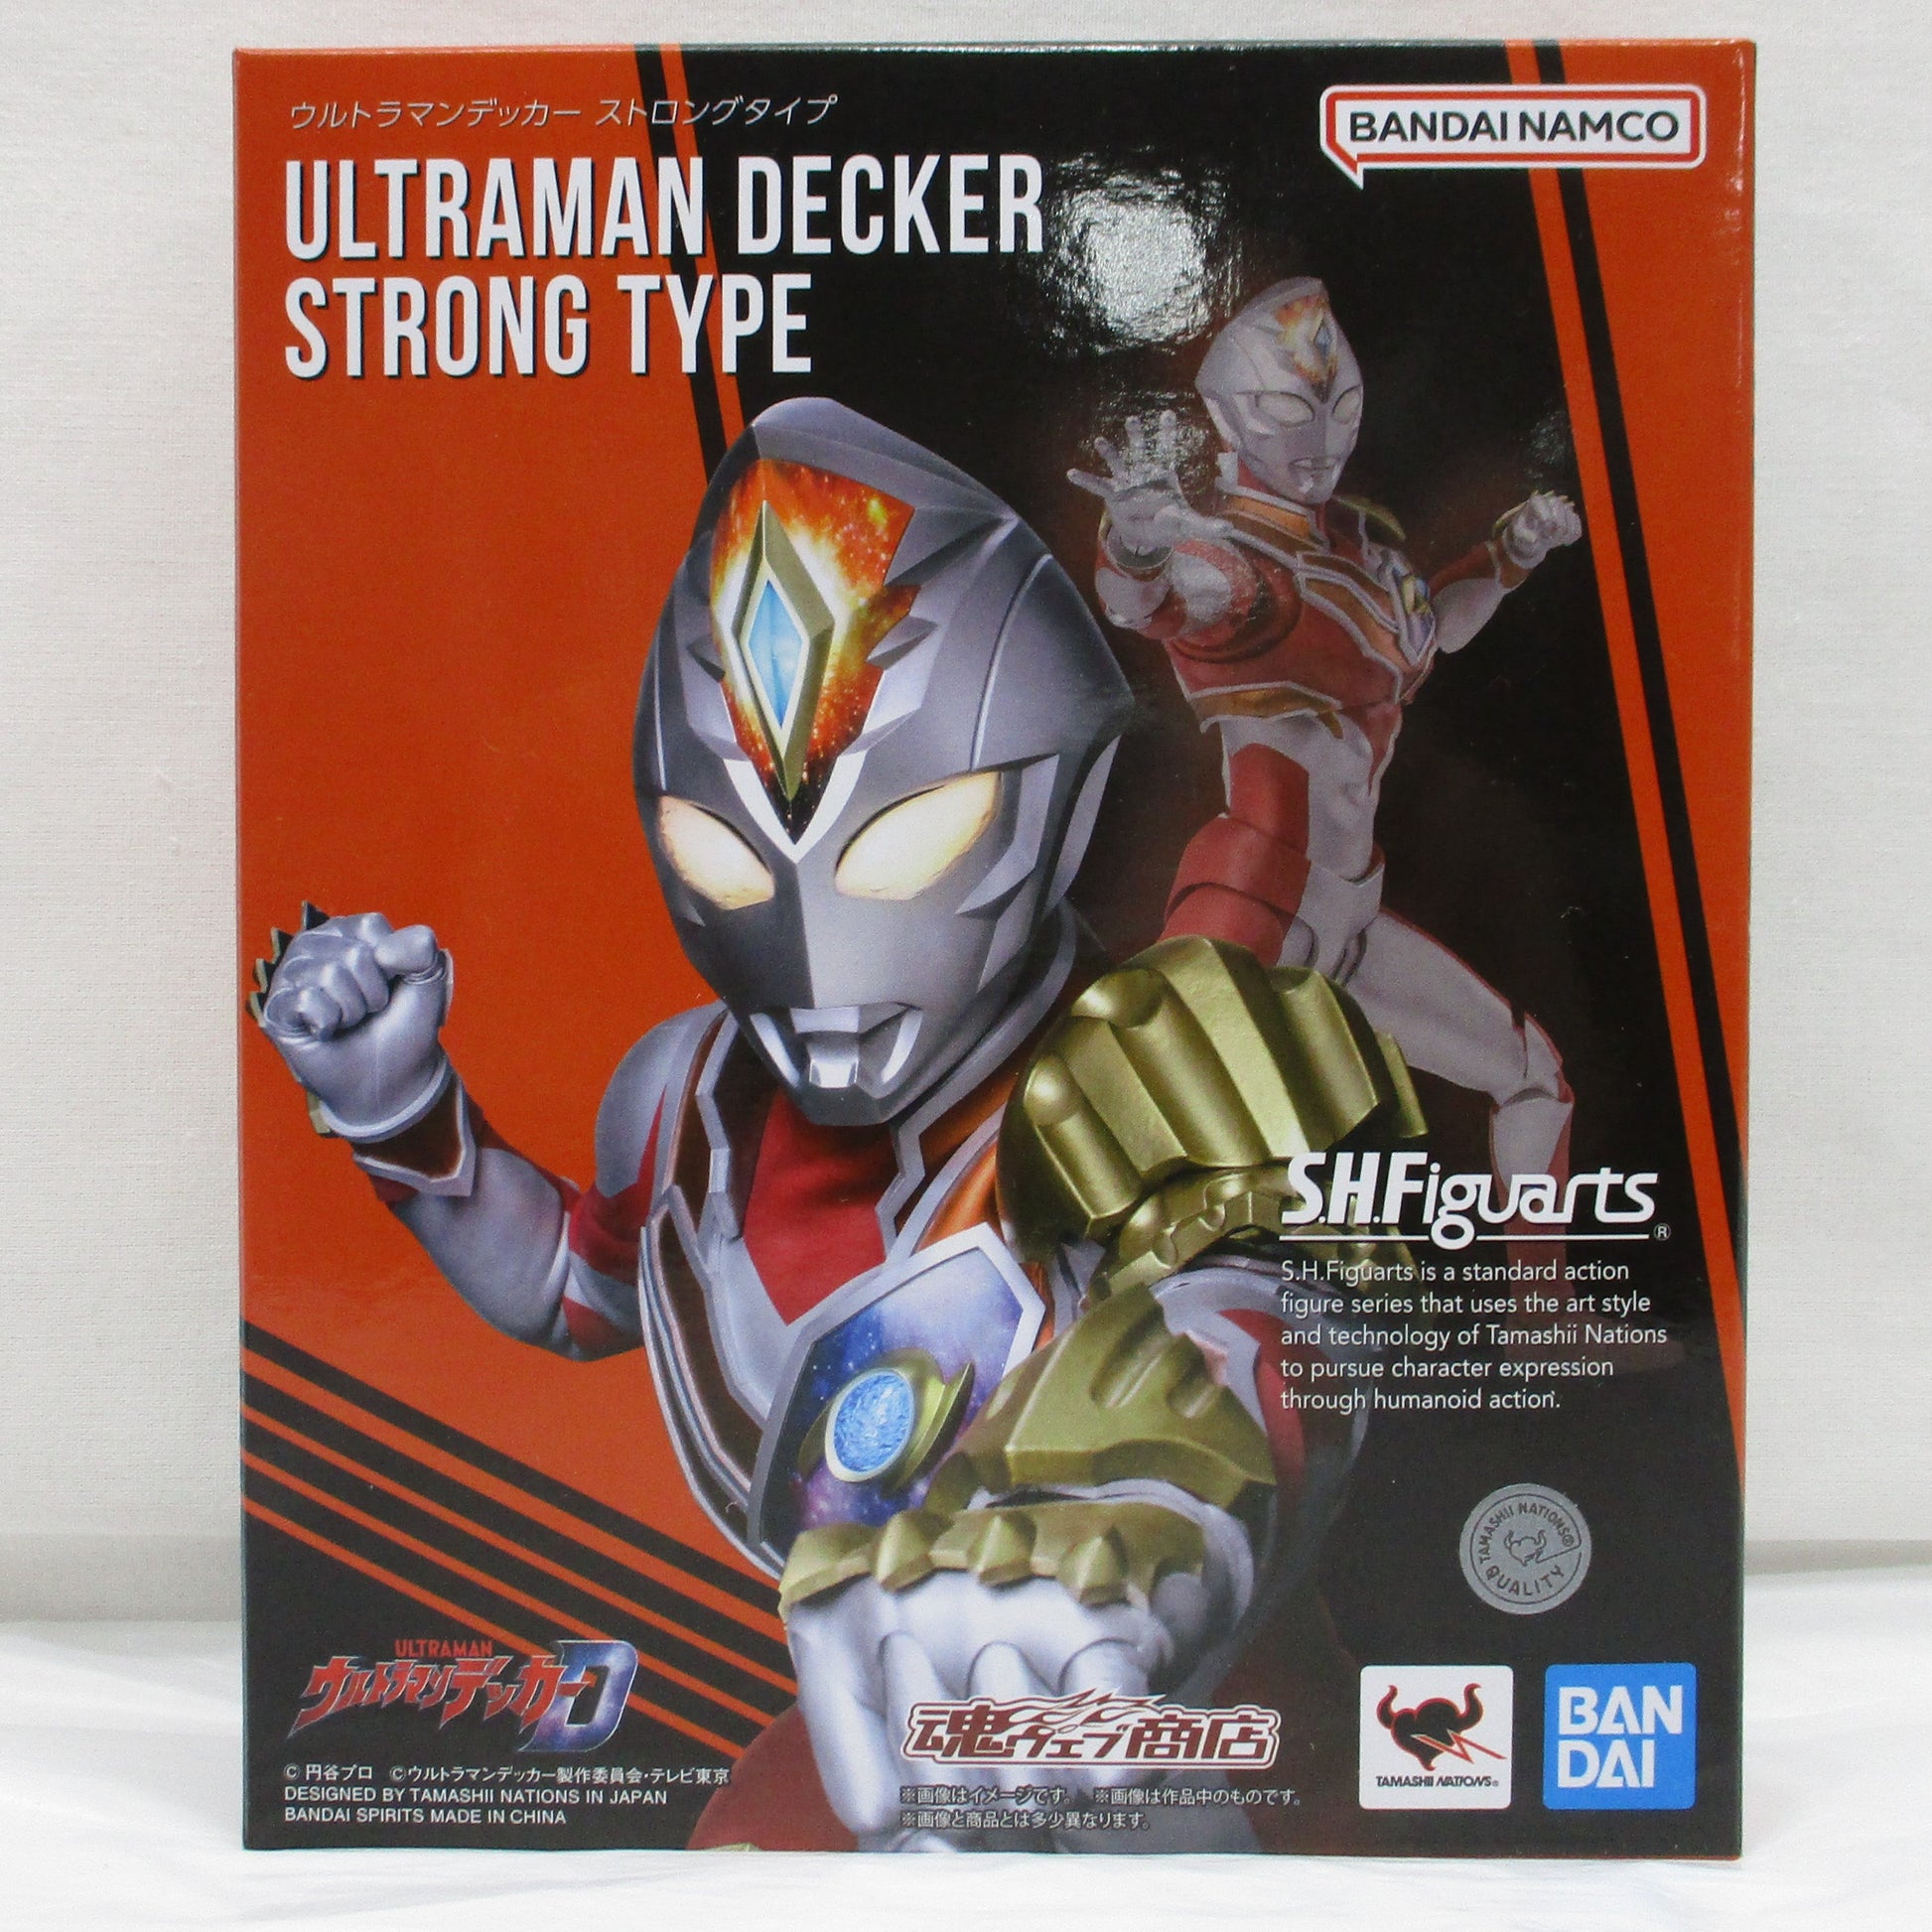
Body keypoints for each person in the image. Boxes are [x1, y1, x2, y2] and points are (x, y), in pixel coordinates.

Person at [253, 397, 1419, 1851]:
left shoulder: (1162, 1052)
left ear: (1055, 804)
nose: (812, 943)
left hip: (1203, 1752)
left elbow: (1272, 1324)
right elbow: (577, 1287)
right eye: (722, 855)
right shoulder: (682, 1091)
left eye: (905, 839)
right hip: (876, 1722)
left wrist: (1120, 1512)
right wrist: (399, 1108)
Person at [1072, 278, 1583, 1204]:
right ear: (1230, 416)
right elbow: (1147, 599)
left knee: (1533, 1080)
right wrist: (1136, 544)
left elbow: (1434, 628)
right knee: (1149, 1160)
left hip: (1346, 918)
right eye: (1285, 411)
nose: (1319, 438)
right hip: (1255, 902)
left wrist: (1511, 555)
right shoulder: (1228, 555)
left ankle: (1547, 1295)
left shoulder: (1365, 551)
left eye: (1339, 409)